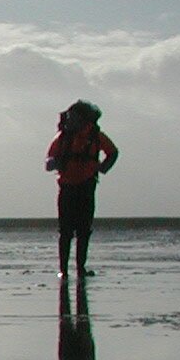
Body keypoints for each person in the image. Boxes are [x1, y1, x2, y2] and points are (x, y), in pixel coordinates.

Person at [45, 100, 117, 282]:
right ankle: (63, 270)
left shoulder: (95, 136)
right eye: (69, 117)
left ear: (85, 119)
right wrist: (53, 162)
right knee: (65, 231)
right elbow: (48, 161)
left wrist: (103, 167)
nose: (70, 120)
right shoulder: (62, 138)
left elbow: (113, 152)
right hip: (67, 187)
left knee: (84, 230)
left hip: (87, 186)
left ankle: (81, 268)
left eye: (74, 117)